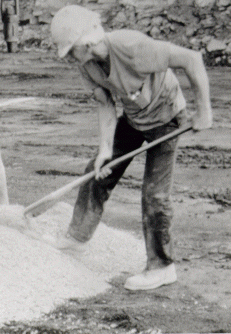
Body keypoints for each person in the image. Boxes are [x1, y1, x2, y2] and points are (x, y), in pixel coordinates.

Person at [48, 5, 213, 290]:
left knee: (155, 194)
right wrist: (104, 150)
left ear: (86, 43)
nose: (69, 58)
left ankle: (162, 267)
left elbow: (192, 59)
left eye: (70, 50)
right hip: (135, 119)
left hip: (167, 118)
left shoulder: (132, 47)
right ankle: (76, 239)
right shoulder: (87, 66)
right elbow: (105, 104)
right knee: (97, 172)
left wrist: (204, 110)